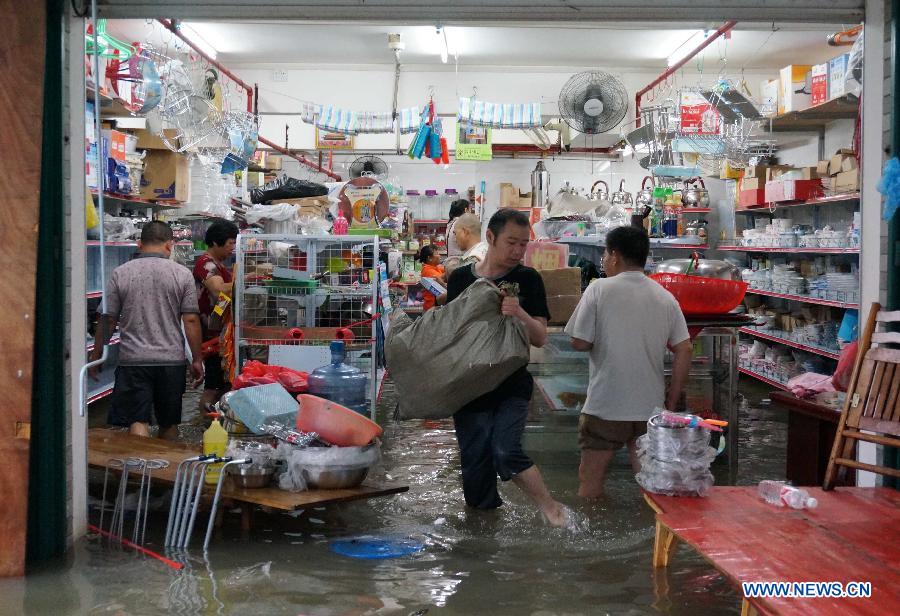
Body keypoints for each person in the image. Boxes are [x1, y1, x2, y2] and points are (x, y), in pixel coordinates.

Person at [446, 208, 568, 527]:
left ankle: (551, 509)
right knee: (475, 473)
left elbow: (540, 337)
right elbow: (448, 334)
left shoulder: (527, 279)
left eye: (523, 244)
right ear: (490, 237)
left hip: (510, 384)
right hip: (468, 386)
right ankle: (483, 541)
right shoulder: (460, 278)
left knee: (505, 450)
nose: (517, 251)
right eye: (511, 243)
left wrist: (519, 314)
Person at [564, 225, 692, 498]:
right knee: (651, 487)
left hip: (605, 407)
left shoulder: (599, 290)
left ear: (615, 255)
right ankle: (653, 537)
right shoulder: (664, 297)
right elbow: (685, 349)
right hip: (649, 408)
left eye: (605, 255)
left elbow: (579, 342)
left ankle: (592, 536)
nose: (605, 262)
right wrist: (671, 399)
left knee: (590, 483)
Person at [90, 221, 203, 439]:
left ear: (139, 244)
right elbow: (190, 320)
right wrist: (197, 359)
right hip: (171, 361)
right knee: (169, 422)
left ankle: (137, 471)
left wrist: (97, 354)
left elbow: (108, 319)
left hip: (133, 360)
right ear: (170, 245)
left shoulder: (120, 273)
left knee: (137, 420)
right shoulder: (181, 274)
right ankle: (165, 470)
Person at [193, 220, 239, 413]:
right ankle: (204, 423)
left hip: (220, 332)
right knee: (213, 385)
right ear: (215, 242)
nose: (233, 247)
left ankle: (216, 422)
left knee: (223, 383)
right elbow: (219, 290)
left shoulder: (219, 265)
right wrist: (244, 279)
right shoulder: (206, 263)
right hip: (211, 335)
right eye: (230, 242)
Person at [444, 213, 488, 277]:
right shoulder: (485, 250)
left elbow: (465, 286)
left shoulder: (471, 260)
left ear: (465, 232)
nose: (455, 239)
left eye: (455, 234)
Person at [417, 244, 446, 312]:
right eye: (436, 253)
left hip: (435, 307)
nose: (439, 255)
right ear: (429, 258)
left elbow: (446, 270)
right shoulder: (427, 271)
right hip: (431, 309)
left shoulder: (435, 267)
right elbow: (442, 279)